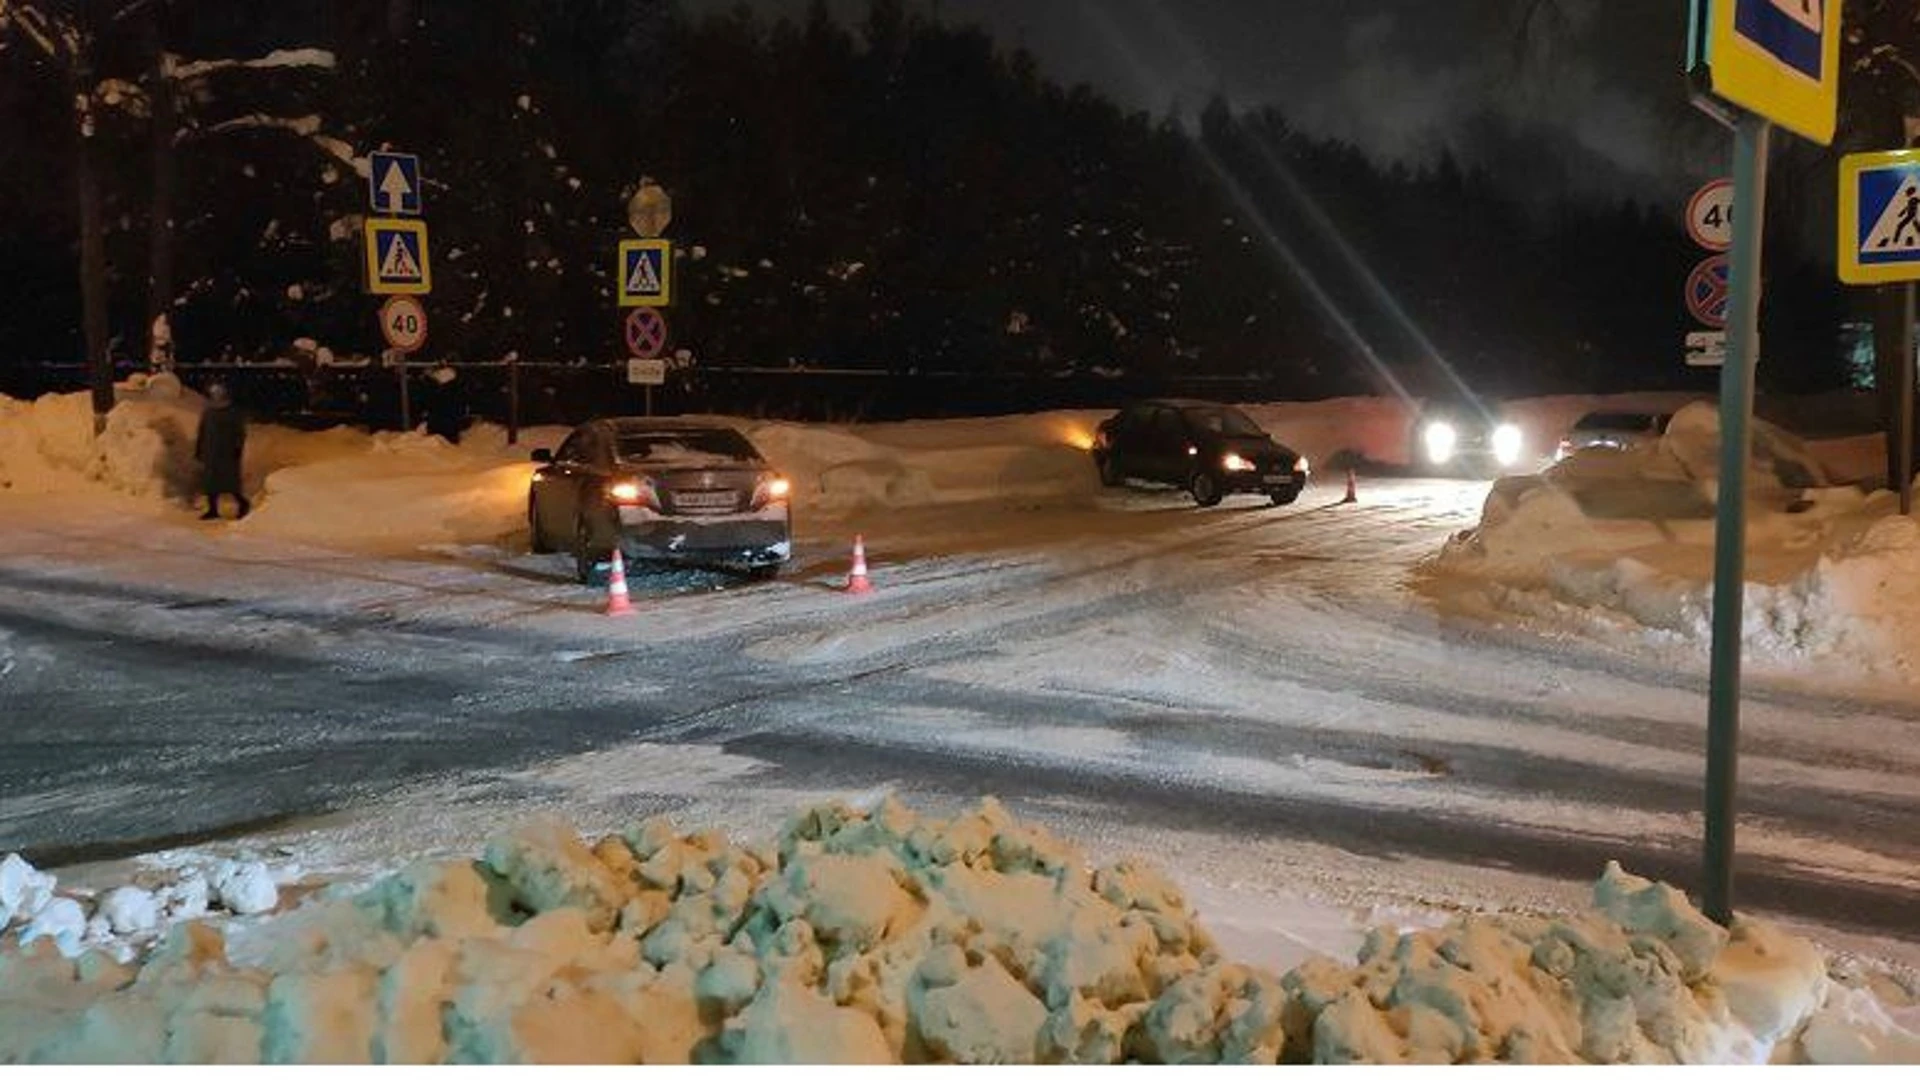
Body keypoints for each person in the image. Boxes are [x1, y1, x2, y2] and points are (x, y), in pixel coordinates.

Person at [195, 383, 250, 520]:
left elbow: (240, 433)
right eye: (214, 394)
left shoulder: (232, 413)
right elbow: (202, 432)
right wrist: (199, 450)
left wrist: (237, 448)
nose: (216, 397)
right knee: (210, 483)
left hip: (227, 452)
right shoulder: (208, 412)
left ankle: (243, 503)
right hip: (210, 451)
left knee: (230, 482)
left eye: (218, 394)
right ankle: (212, 509)